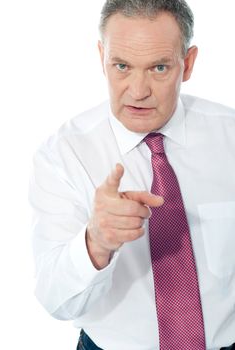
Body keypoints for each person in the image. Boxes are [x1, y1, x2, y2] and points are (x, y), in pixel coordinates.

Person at [29, 0, 235, 349]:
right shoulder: (63, 156)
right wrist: (96, 242)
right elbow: (57, 302)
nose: (137, 91)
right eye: (121, 66)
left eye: (158, 68)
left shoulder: (230, 137)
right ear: (101, 58)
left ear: (187, 64)